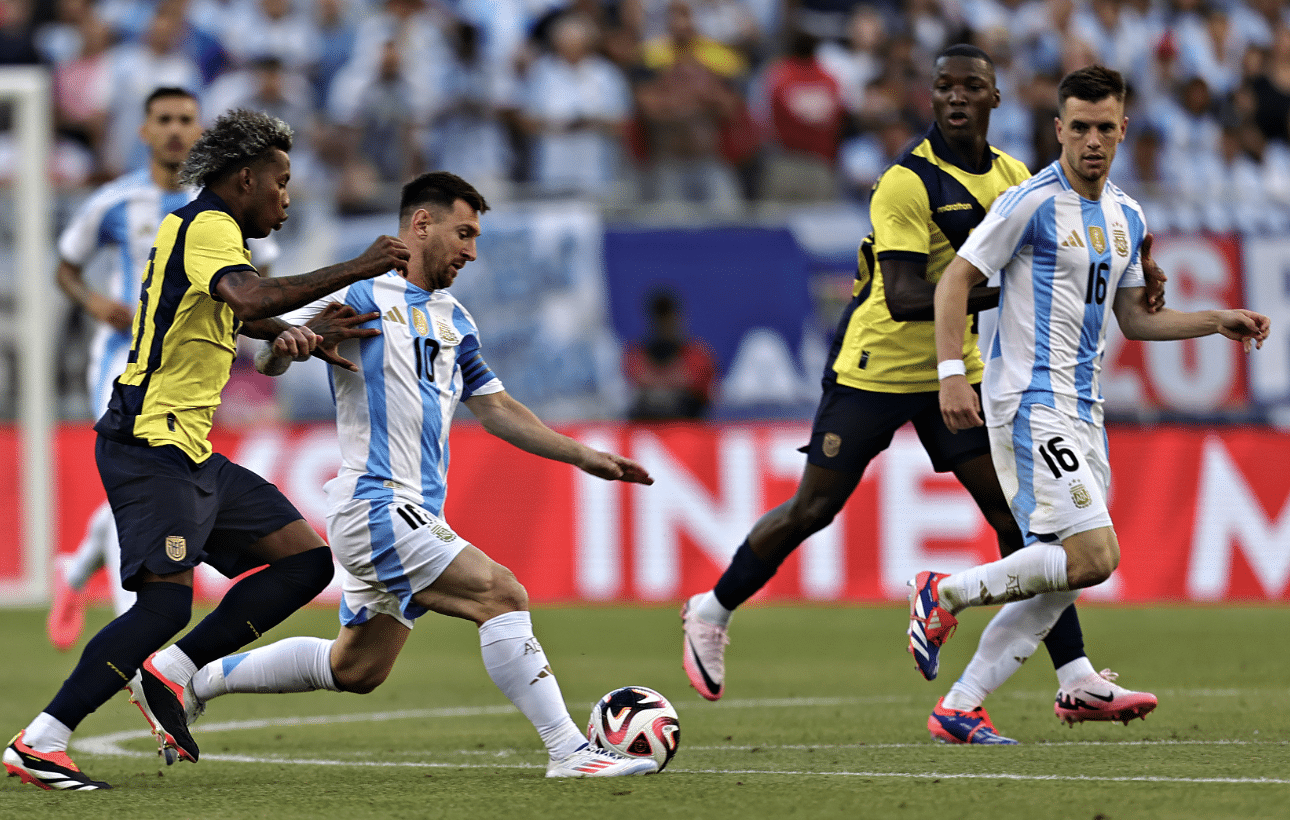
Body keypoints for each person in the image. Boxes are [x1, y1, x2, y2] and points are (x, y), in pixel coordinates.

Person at [679, 45, 1165, 744]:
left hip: (956, 370)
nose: (956, 97)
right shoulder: (906, 182)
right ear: (931, 98)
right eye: (943, 87)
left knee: (1019, 517)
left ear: (997, 99)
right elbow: (910, 295)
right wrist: (1026, 287)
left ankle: (1075, 675)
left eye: (972, 87)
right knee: (815, 507)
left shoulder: (1013, 176)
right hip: (876, 367)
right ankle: (713, 608)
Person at [161, 171, 660, 778]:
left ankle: (194, 679)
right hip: (375, 502)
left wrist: (583, 455)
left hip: (413, 509)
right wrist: (289, 347)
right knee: (501, 593)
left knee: (357, 670)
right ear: (421, 224)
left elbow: (496, 408)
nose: (472, 251)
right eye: (464, 233)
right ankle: (570, 753)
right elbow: (267, 346)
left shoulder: (457, 321)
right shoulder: (363, 293)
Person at [3, 108, 411, 791]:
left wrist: (304, 332)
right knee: (163, 605)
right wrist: (360, 266)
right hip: (148, 443)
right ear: (244, 179)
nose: (287, 197)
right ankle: (40, 741)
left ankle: (174, 670)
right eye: (280, 182)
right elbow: (249, 294)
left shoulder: (205, 233)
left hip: (188, 451)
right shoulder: (206, 227)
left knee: (305, 561)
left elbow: (245, 311)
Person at [914, 66, 1270, 735]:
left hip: (1085, 408)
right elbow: (955, 280)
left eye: (1105, 128)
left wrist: (1215, 318)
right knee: (1097, 555)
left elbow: (1135, 320)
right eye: (1079, 128)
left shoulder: (1127, 214)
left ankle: (959, 705)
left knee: (1066, 576)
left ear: (1124, 129)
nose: (1092, 141)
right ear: (1058, 130)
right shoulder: (1030, 202)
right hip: (1028, 401)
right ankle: (945, 592)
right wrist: (949, 375)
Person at [47, 87, 281, 652]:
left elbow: (260, 277)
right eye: (164, 120)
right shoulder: (113, 202)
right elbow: (66, 267)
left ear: (199, 133)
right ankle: (141, 648)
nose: (175, 129)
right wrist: (93, 302)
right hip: (121, 362)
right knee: (144, 484)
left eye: (185, 120)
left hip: (187, 363)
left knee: (139, 492)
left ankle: (77, 571)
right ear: (144, 132)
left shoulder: (224, 209)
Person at [623, 288, 719, 421]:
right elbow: (636, 378)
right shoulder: (636, 353)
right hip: (646, 429)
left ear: (678, 317)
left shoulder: (697, 354)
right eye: (660, 316)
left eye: (668, 315)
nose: (664, 322)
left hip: (689, 430)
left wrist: (655, 380)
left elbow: (702, 391)